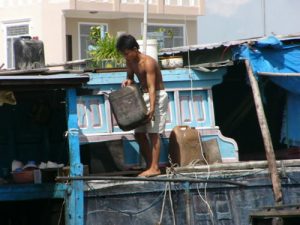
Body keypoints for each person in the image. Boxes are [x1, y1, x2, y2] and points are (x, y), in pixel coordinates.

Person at [116, 34, 168, 177]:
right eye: (123, 54)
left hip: (157, 96)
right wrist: (128, 81)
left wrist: (152, 108)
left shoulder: (148, 62)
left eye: (127, 53)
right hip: (142, 96)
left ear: (134, 49)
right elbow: (131, 78)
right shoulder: (130, 61)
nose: (125, 57)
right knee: (139, 134)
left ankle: (155, 168)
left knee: (153, 133)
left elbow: (152, 87)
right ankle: (150, 165)